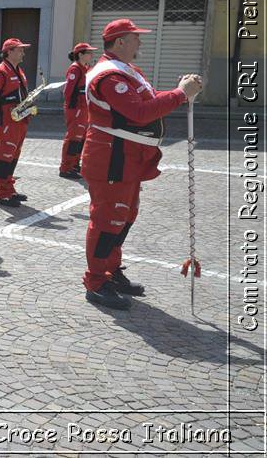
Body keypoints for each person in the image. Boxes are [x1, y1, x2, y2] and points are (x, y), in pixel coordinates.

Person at [82, 18, 203, 310]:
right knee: (107, 221)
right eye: (135, 37)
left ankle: (111, 271)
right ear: (120, 41)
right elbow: (139, 111)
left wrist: (179, 92)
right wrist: (179, 94)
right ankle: (96, 281)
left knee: (124, 218)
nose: (141, 42)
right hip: (111, 158)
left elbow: (148, 100)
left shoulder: (127, 71)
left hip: (128, 158)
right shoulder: (109, 76)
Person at [0, 38, 32, 207]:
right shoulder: (1, 72)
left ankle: (9, 188)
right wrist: (13, 99)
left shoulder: (18, 69)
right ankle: (2, 193)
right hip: (8, 121)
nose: (23, 53)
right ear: (9, 51)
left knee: (14, 155)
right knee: (4, 156)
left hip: (19, 119)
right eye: (20, 50)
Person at [59, 42, 97, 179]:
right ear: (80, 55)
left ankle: (74, 164)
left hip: (84, 108)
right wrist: (74, 109)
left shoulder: (85, 68)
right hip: (76, 109)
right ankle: (66, 167)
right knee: (73, 138)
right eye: (89, 53)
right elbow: (68, 92)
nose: (91, 55)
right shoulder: (75, 69)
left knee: (81, 138)